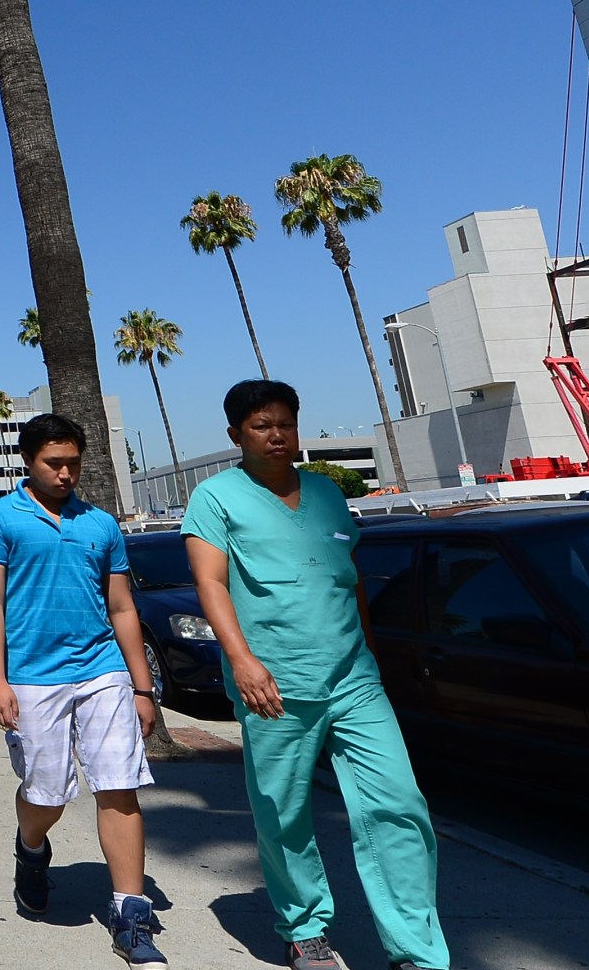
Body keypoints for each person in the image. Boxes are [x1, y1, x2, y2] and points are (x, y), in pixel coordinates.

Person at [183, 381, 448, 970]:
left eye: (284, 423)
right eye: (260, 426)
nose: (276, 435)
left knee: (399, 804)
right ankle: (304, 926)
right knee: (283, 811)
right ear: (236, 436)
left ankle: (416, 951)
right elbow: (210, 584)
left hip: (354, 679)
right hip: (274, 683)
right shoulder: (215, 497)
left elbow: (348, 580)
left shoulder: (328, 493)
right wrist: (243, 662)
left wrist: (371, 658)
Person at [0, 413, 167, 964]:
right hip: (32, 675)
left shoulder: (100, 525)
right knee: (47, 794)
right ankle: (30, 848)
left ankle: (131, 912)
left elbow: (122, 606)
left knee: (118, 785)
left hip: (102, 669)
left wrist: (142, 687)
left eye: (73, 464)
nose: (65, 474)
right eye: (53, 464)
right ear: (28, 462)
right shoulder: (0, 519)